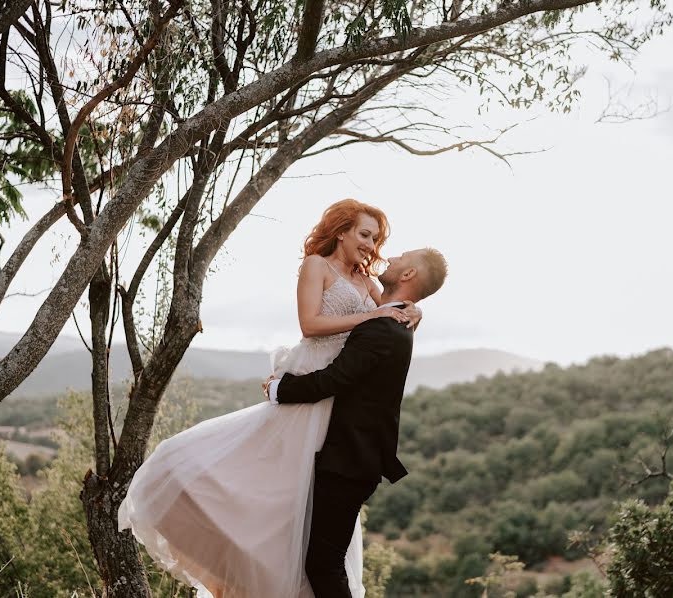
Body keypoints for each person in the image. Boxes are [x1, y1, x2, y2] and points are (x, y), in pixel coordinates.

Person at [117, 199, 424, 597]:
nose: (370, 244)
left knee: (302, 507)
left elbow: (393, 316)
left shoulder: (367, 282)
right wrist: (372, 316)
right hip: (311, 381)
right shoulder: (317, 265)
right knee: (260, 482)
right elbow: (310, 324)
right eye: (365, 234)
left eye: (376, 238)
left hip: (338, 401)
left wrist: (414, 311)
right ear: (342, 230)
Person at [264, 246, 448, 598]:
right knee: (321, 561)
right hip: (352, 457)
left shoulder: (383, 329)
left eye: (400, 258)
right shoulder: (397, 322)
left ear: (408, 275)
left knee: (324, 566)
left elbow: (333, 380)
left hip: (350, 461)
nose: (390, 258)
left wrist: (278, 388)